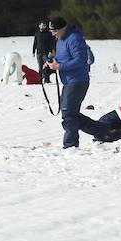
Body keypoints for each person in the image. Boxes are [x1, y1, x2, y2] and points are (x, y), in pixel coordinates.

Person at [44, 17, 92, 149]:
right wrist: (51, 63)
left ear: (62, 28)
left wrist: (59, 67)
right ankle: (102, 130)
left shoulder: (74, 38)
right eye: (51, 31)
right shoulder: (60, 40)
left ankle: (70, 145)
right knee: (71, 113)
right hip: (68, 82)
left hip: (78, 81)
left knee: (68, 113)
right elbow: (63, 58)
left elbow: (80, 60)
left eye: (54, 31)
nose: (53, 34)